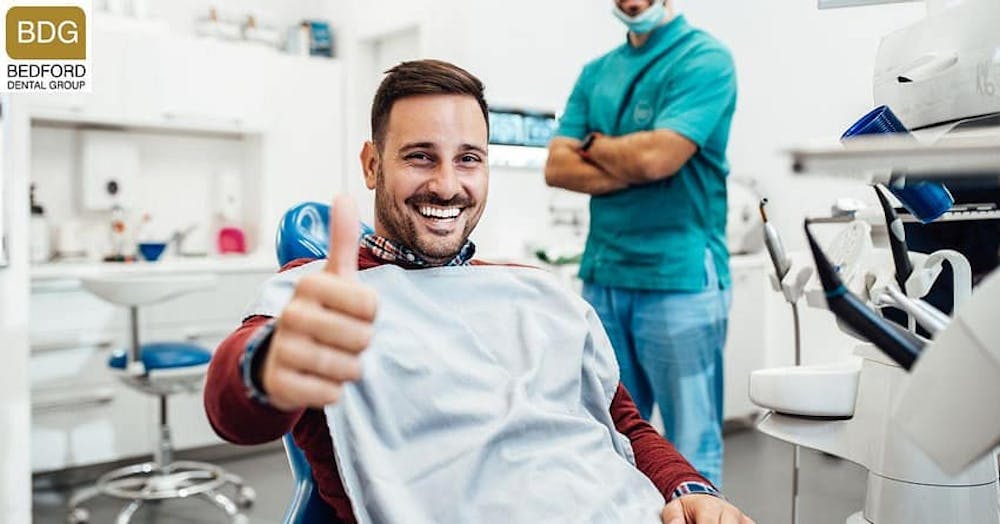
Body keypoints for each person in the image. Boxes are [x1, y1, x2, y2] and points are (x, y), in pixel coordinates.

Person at [205, 59, 751, 523]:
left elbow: (623, 425)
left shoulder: (540, 294)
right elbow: (232, 406)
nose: (447, 185)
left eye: (468, 158)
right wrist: (268, 368)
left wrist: (689, 488)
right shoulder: (319, 297)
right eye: (420, 156)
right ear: (373, 165)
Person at [544, 0, 737, 486]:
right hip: (604, 277)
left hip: (681, 280)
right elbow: (556, 167)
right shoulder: (597, 72)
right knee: (610, 437)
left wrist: (595, 145)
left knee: (691, 443)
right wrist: (635, 161)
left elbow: (657, 160)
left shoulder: (704, 59)